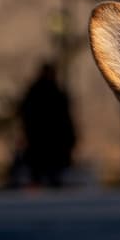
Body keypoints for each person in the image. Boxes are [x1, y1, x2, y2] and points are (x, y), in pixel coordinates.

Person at [18, 58, 77, 186]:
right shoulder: (52, 93)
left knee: (45, 168)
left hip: (44, 139)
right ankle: (46, 182)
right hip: (45, 138)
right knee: (49, 168)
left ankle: (43, 182)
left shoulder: (37, 92)